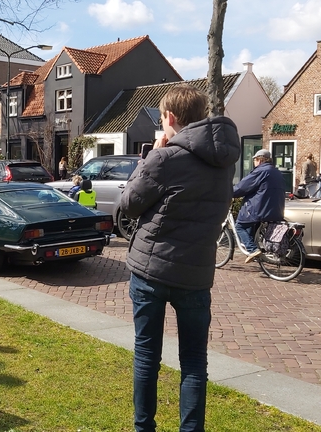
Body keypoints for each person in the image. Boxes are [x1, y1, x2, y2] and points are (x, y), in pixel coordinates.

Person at [119, 84, 240, 432]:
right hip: (196, 274)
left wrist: (148, 159)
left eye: (161, 118)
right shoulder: (224, 164)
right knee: (193, 363)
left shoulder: (163, 157)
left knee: (147, 356)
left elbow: (129, 204)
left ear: (170, 117)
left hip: (151, 272)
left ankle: (144, 428)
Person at [233, 149, 285, 263]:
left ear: (260, 160)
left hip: (260, 209)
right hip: (276, 210)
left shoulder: (260, 171)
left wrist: (230, 192)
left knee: (239, 226)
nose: (254, 163)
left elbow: (242, 187)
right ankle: (255, 250)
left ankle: (252, 250)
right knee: (251, 226)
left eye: (255, 160)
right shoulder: (277, 172)